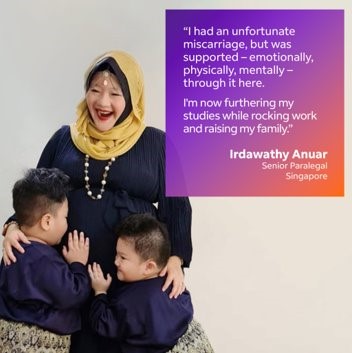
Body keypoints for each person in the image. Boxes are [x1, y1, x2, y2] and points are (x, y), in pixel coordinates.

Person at [2, 50, 192, 353]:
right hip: (67, 277)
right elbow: (35, 194)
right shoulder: (64, 138)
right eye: (95, 90)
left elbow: (178, 206)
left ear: (131, 98)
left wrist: (176, 259)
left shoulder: (157, 144)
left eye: (115, 93)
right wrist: (12, 226)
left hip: (131, 280)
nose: (103, 102)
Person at [88, 213, 213, 353]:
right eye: (116, 254)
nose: (115, 261)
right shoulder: (176, 285)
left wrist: (100, 292)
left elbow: (102, 324)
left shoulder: (130, 302)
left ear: (149, 267)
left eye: (123, 258)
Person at [0, 168, 90, 353]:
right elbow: (72, 295)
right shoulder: (45, 260)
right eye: (65, 217)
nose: (67, 223)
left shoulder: (12, 251)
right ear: (47, 221)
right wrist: (78, 265)